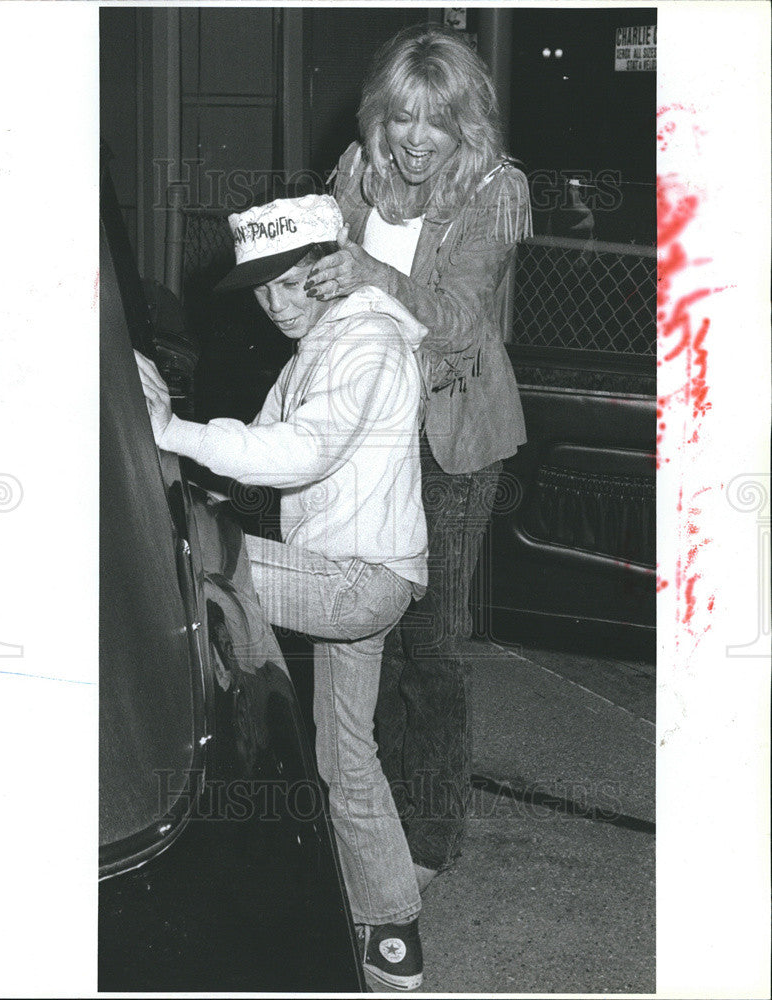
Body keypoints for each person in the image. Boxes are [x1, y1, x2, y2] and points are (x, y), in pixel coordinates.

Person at [135, 193, 429, 991]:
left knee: (186, 552)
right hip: (347, 571)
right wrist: (182, 434)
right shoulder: (317, 348)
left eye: (290, 282)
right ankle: (392, 929)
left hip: (357, 584)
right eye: (260, 290)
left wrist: (169, 435)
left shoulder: (366, 342)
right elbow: (258, 446)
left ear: (328, 268)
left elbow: (300, 452)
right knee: (346, 756)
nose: (274, 304)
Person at [303, 24, 533, 890]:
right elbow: (332, 298)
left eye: (437, 121)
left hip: (453, 438)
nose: (414, 140)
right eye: (400, 116)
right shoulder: (357, 175)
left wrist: (366, 271)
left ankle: (430, 836)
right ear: (379, 115)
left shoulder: (494, 192)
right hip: (368, 431)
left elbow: (465, 321)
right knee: (370, 626)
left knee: (431, 640)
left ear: (466, 124)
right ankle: (372, 816)